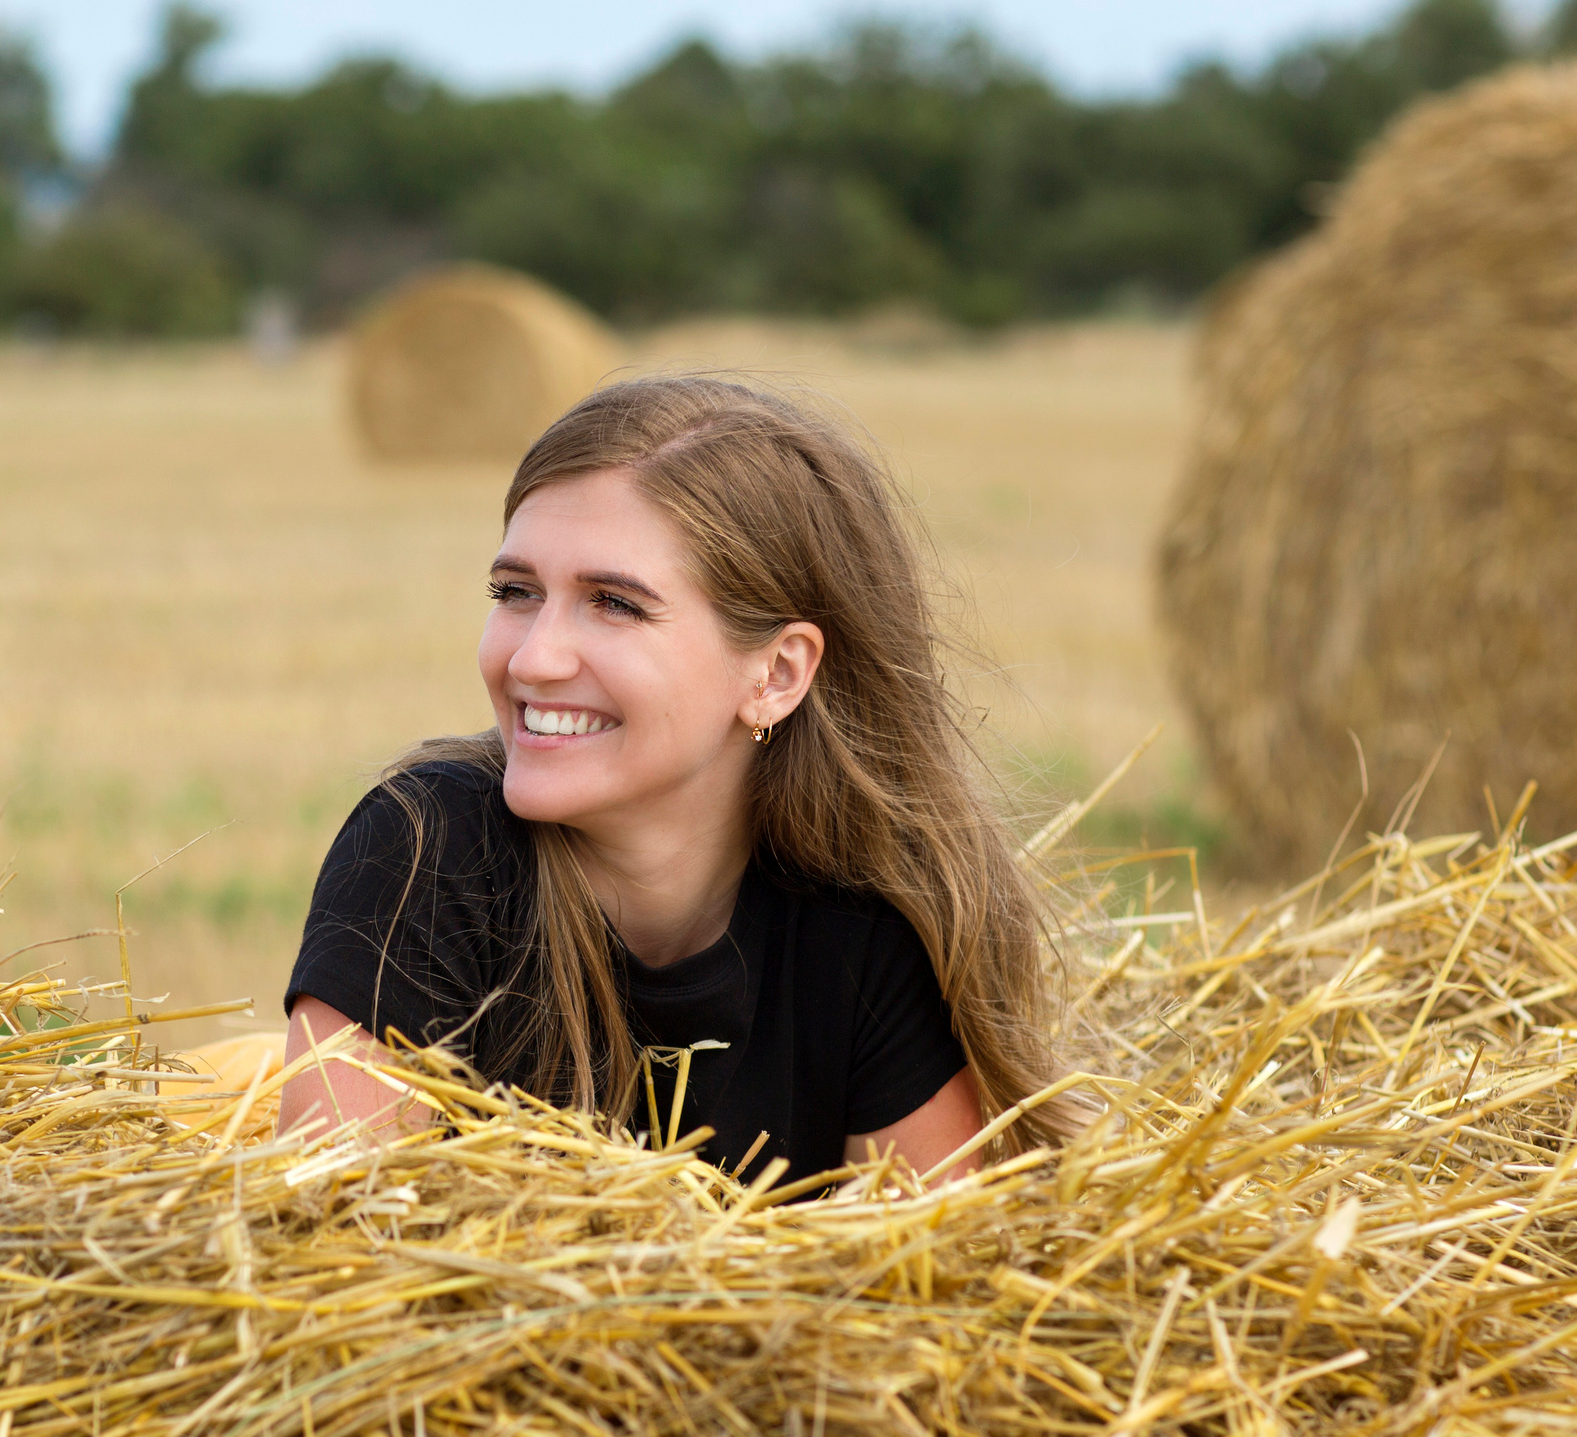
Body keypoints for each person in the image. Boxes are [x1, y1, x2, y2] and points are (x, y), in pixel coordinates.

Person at [278, 375, 1067, 1187]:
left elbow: (931, 1288)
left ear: (776, 673)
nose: (531, 658)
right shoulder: (421, 850)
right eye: (516, 592)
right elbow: (337, 1239)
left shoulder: (870, 928)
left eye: (614, 603)